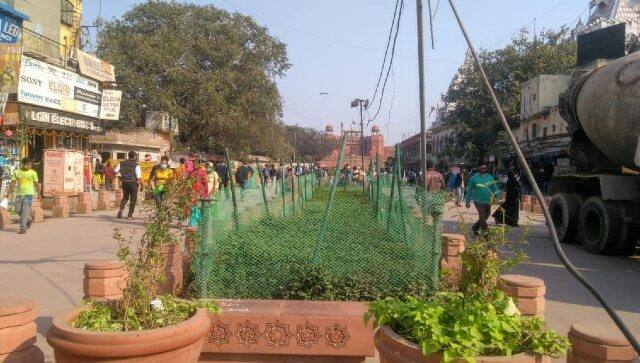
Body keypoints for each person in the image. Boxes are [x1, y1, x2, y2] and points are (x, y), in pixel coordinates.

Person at [4, 158, 39, 234]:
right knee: (16, 209)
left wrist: (39, 194)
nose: (29, 166)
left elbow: (36, 184)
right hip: (19, 194)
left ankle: (23, 228)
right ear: (23, 164)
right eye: (28, 164)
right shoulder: (17, 172)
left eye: (30, 164)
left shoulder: (33, 173)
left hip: (29, 194)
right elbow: (12, 184)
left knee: (25, 210)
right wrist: (8, 194)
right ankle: (28, 218)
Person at [466, 163, 500, 235]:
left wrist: (497, 196)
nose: (483, 169)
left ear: (486, 169)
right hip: (478, 201)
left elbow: (495, 187)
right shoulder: (474, 178)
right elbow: (469, 190)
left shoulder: (490, 177)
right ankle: (485, 233)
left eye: (484, 168)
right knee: (482, 216)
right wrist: (467, 201)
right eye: (481, 168)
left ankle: (475, 227)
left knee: (485, 217)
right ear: (479, 168)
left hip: (488, 201)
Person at [114, 151, 142, 220]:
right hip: (133, 183)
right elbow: (138, 176)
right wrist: (142, 184)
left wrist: (121, 177)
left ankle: (120, 211)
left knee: (125, 197)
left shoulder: (122, 163)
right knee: (133, 199)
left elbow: (115, 171)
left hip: (125, 182)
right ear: (135, 156)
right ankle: (129, 215)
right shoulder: (135, 164)